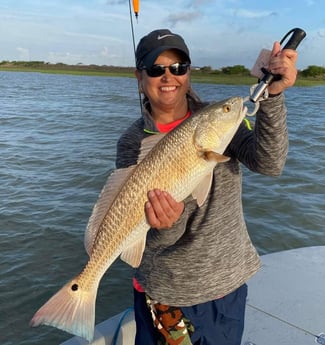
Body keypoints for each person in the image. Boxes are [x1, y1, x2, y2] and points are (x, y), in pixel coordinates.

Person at [116, 29, 298, 345]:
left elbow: (269, 163)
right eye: (156, 69)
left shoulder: (218, 119)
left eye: (178, 67)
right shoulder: (133, 143)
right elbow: (147, 239)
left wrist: (272, 96)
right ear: (139, 76)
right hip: (163, 293)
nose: (168, 76)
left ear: (188, 72)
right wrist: (167, 225)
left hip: (223, 287)